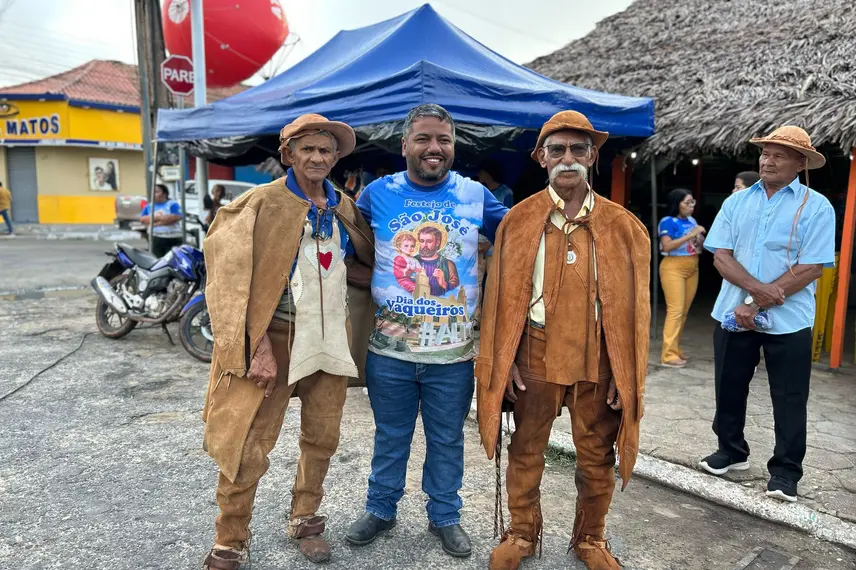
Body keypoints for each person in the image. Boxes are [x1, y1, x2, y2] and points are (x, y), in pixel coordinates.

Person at [476, 110, 651, 570]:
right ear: (541, 158)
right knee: (526, 448)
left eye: (578, 150)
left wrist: (626, 372)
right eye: (557, 150)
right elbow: (499, 301)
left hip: (599, 358)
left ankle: (591, 538)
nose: (567, 158)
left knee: (596, 456)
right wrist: (505, 360)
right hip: (534, 352)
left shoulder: (625, 227)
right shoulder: (517, 221)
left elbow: (636, 313)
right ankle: (520, 533)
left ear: (593, 157)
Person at [200, 114, 375, 569]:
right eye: (308, 149)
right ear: (288, 154)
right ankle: (230, 538)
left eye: (326, 150)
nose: (317, 157)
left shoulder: (345, 209)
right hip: (275, 339)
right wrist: (253, 347)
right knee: (249, 439)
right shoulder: (258, 204)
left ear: (336, 158)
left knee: (322, 436)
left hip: (330, 337)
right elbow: (226, 281)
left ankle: (306, 518)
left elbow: (357, 265)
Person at [346, 104, 508, 557]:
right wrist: (372, 281)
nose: (434, 148)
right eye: (423, 139)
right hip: (389, 350)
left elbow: (519, 236)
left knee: (446, 438)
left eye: (443, 140)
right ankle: (380, 510)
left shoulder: (476, 195)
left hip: (453, 355)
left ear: (454, 146)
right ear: (405, 146)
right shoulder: (376, 193)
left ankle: (445, 517)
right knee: (390, 435)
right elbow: (347, 246)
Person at [699, 126, 835, 504]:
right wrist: (755, 293)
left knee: (790, 396)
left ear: (800, 163)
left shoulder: (817, 206)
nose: (767, 160)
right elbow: (721, 256)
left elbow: (812, 267)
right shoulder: (737, 203)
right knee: (728, 384)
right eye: (764, 153)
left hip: (789, 319)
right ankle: (730, 451)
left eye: (779, 155)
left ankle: (786, 472)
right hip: (732, 313)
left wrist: (756, 303)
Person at [658, 188, 705, 367]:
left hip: (692, 265)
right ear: (676, 204)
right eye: (687, 202)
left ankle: (675, 349)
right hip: (673, 266)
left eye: (693, 202)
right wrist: (691, 235)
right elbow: (667, 246)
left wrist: (698, 239)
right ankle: (668, 355)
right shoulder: (668, 221)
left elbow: (695, 243)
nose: (691, 206)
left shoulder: (691, 220)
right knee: (675, 311)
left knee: (683, 311)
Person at [140, 184, 183, 257]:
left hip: (172, 237)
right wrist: (162, 218)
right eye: (153, 192)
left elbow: (175, 218)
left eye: (156, 192)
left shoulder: (172, 204)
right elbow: (143, 219)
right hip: (155, 237)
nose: (153, 194)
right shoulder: (149, 206)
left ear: (165, 194)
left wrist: (154, 221)